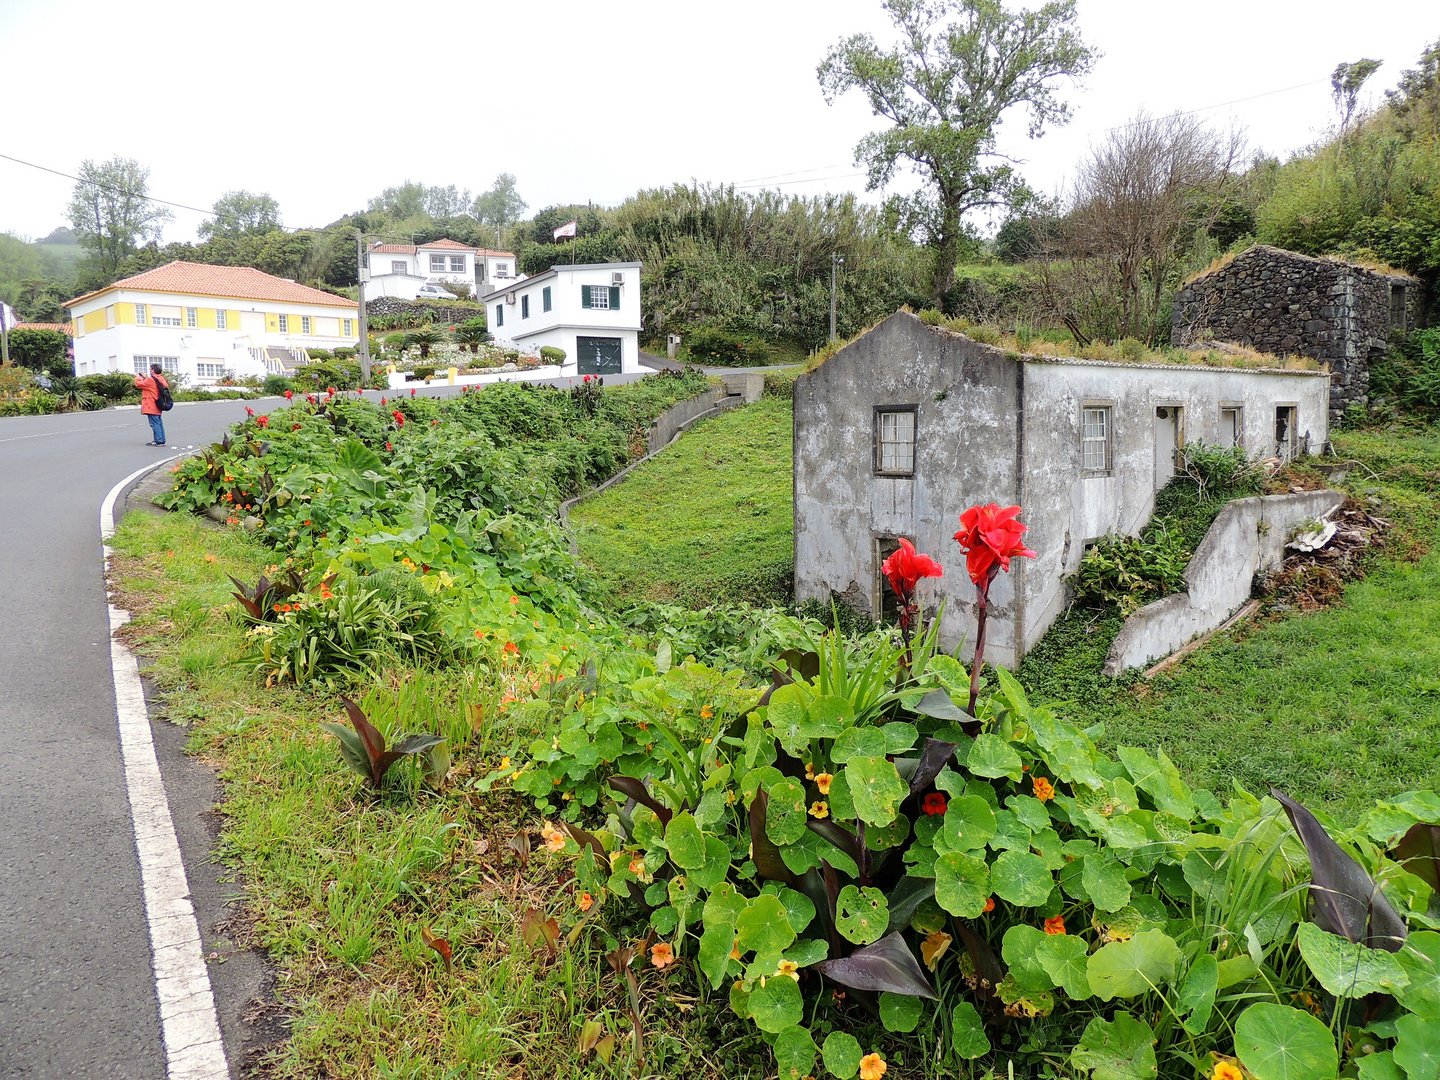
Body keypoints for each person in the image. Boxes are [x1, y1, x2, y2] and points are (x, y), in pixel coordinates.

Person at [134, 363, 169, 446]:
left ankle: (159, 440)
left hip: (151, 403)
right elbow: (152, 384)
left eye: (150, 369)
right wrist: (145, 377)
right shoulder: (161, 378)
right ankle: (161, 439)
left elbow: (139, 384)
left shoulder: (151, 380)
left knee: (154, 423)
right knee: (158, 422)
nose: (149, 371)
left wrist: (137, 378)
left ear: (153, 370)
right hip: (158, 403)